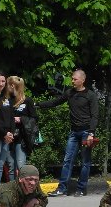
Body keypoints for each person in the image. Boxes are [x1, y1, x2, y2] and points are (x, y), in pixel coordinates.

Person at [39, 69, 99, 197]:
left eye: (75, 79)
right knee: (67, 160)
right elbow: (55, 102)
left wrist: (91, 133)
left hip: (86, 132)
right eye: (72, 78)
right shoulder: (70, 93)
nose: (72, 81)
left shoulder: (90, 95)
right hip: (74, 132)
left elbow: (95, 116)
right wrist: (37, 104)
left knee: (85, 162)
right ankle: (62, 188)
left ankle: (81, 188)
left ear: (82, 80)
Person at [7, 75, 38, 179]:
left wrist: (21, 119)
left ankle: (22, 190)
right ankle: (12, 189)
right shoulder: (8, 101)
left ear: (12, 85)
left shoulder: (27, 101)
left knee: (20, 165)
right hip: (9, 137)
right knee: (11, 166)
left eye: (7, 84)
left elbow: (34, 118)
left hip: (21, 137)